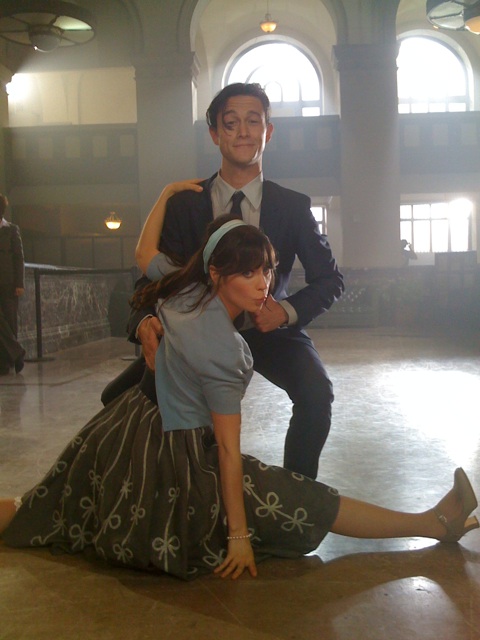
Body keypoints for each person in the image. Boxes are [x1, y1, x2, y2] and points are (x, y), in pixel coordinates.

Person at [1, 182, 478, 582]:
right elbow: (228, 453)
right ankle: (433, 523)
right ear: (217, 272)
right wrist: (238, 537)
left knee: (40, 507)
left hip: (124, 431)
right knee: (301, 500)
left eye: (267, 269)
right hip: (174, 457)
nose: (263, 283)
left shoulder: (188, 285)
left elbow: (144, 253)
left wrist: (165, 193)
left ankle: (433, 521)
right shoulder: (225, 352)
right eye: (247, 273)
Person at [101, 82, 345, 480]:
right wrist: (144, 321)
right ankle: (184, 488)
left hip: (267, 329)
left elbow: (330, 278)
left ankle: (296, 496)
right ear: (215, 134)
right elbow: (149, 274)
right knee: (117, 399)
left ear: (268, 131)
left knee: (317, 395)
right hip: (196, 332)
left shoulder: (293, 206)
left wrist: (285, 311)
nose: (243, 132)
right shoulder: (185, 203)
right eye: (231, 123)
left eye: (254, 122)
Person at [0, 194, 25, 375]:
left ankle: (8, 361)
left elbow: (18, 257)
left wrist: (19, 283)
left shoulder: (11, 230)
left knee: (9, 321)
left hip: (8, 283)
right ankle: (16, 353)